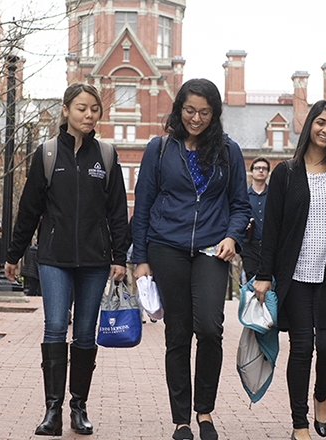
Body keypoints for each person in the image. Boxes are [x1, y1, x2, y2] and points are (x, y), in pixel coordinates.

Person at [5, 83, 129, 436]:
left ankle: (78, 407)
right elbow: (29, 209)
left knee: (86, 333)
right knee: (56, 326)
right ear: (65, 110)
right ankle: (52, 410)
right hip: (53, 257)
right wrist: (13, 254)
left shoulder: (106, 155)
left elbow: (118, 211)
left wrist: (121, 256)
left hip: (94, 259)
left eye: (94, 109)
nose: (88, 115)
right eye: (80, 108)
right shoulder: (46, 154)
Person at [131, 78, 251, 440]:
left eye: (204, 112)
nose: (195, 118)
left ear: (214, 114)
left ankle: (205, 412)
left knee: (211, 329)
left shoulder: (228, 151)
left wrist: (232, 236)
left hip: (212, 250)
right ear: (178, 109)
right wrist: (140, 258)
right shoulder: (160, 148)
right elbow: (144, 204)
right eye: (189, 110)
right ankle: (182, 419)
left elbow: (241, 205)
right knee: (178, 333)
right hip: (166, 247)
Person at [253, 100, 326, 440]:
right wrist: (263, 274)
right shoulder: (286, 173)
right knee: (302, 348)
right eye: (320, 122)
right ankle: (299, 424)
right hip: (296, 277)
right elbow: (270, 229)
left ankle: (321, 395)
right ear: (309, 126)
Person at [240, 156, 270, 281]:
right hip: (249, 246)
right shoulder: (243, 197)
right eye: (258, 168)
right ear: (251, 172)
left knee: (270, 282)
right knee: (251, 282)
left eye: (264, 168)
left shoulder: (274, 195)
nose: (261, 171)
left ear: (268, 173)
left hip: (269, 247)